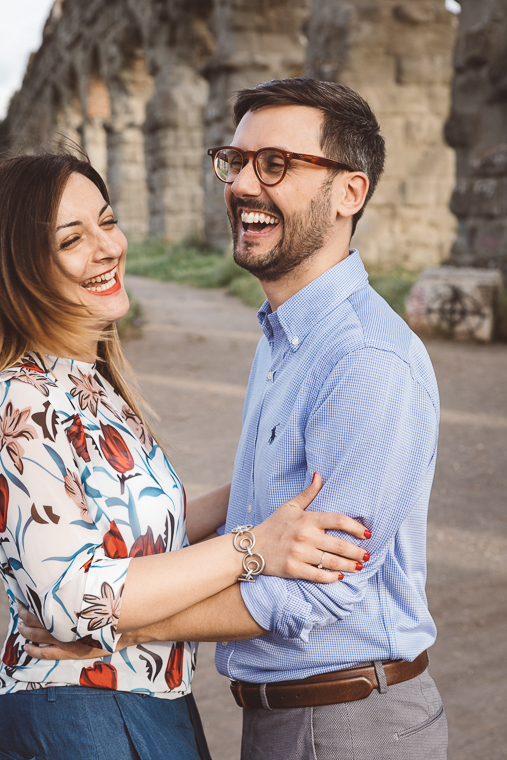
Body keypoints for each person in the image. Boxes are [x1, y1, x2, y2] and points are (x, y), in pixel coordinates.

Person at [18, 77, 448, 759]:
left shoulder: (365, 359)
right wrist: (241, 534)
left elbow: (314, 595)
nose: (244, 183)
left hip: (346, 719)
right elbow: (249, 522)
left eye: (275, 163)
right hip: (277, 715)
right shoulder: (284, 339)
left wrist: (123, 627)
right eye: (236, 160)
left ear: (349, 193)